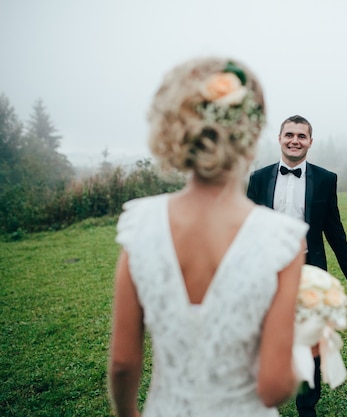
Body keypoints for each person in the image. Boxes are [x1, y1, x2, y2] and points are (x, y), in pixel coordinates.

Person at [108, 57, 309, 417]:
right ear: (251, 138)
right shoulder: (284, 240)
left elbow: (123, 362)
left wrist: (127, 413)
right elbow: (273, 388)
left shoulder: (140, 226)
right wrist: (308, 346)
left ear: (177, 134)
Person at [247, 115, 347, 417]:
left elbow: (333, 228)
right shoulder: (258, 178)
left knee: (312, 337)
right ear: (280, 138)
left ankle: (306, 406)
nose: (295, 140)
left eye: (301, 135)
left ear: (310, 141)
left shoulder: (325, 179)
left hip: (311, 268)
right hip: (267, 271)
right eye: (289, 135)